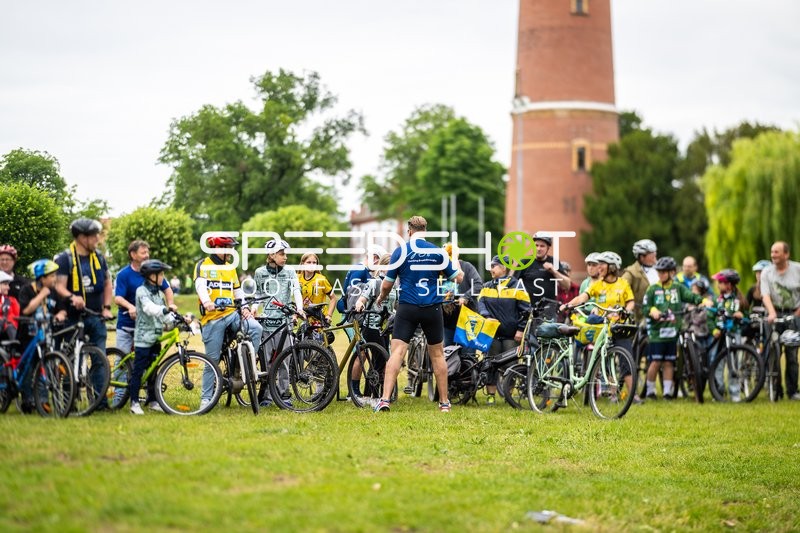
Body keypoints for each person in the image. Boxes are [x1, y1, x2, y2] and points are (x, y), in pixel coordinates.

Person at [373, 215, 463, 412]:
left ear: (409, 231)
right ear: (425, 230)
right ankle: (445, 403)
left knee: (396, 352)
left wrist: (381, 297)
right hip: (432, 308)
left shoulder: (401, 251)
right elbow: (458, 278)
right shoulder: (438, 252)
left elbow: (387, 284)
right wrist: (454, 258)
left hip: (407, 307)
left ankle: (385, 400)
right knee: (438, 355)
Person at [561, 251, 639, 403]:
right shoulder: (597, 284)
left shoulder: (623, 283)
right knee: (604, 358)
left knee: (625, 360)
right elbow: (583, 297)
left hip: (619, 327)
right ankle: (612, 394)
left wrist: (626, 310)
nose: (599, 267)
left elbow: (630, 301)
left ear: (612, 267)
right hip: (602, 328)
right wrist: (569, 304)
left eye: (602, 264)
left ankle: (632, 395)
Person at [194, 235, 263, 410]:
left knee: (255, 327)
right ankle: (206, 398)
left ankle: (244, 365)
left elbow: (237, 291)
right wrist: (206, 301)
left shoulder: (230, 268)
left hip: (232, 314)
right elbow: (200, 286)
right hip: (213, 318)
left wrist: (245, 308)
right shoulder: (203, 265)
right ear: (219, 249)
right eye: (229, 248)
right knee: (212, 360)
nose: (232, 251)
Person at [53, 218, 113, 410]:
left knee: (99, 360)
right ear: (81, 237)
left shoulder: (99, 257)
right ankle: (68, 403)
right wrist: (72, 297)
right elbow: (59, 286)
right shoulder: (65, 259)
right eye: (93, 236)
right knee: (71, 359)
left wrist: (106, 307)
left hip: (96, 315)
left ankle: (100, 403)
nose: (97, 239)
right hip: (73, 317)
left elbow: (106, 283)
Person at [642, 256, 702, 400]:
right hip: (657, 333)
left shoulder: (678, 287)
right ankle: (650, 391)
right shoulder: (652, 289)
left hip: (673, 331)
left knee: (669, 362)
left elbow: (690, 296)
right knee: (655, 362)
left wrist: (701, 300)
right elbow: (645, 307)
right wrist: (652, 311)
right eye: (659, 272)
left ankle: (667, 392)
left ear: (672, 273)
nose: (661, 274)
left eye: (664, 272)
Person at [253, 238, 304, 406]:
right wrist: (254, 308)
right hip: (267, 322)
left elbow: (296, 290)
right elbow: (258, 295)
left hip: (285, 322)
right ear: (272, 254)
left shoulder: (290, 271)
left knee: (284, 361)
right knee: (267, 361)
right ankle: (266, 396)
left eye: (285, 254)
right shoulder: (260, 272)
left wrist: (300, 308)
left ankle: (284, 395)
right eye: (282, 254)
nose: (285, 257)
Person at [477, 255, 530, 404]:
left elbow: (526, 309)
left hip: (511, 335)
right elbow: (480, 304)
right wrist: (486, 316)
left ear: (503, 268)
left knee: (511, 366)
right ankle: (491, 396)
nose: (491, 269)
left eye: (494, 266)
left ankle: (508, 396)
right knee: (490, 364)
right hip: (492, 333)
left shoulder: (517, 285)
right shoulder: (487, 286)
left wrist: (520, 330)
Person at [16, 259, 67, 413]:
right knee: (29, 368)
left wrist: (60, 315)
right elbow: (25, 310)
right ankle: (27, 399)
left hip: (46, 337)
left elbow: (62, 309)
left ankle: (43, 402)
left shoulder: (54, 292)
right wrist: (41, 295)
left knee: (45, 367)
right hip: (28, 338)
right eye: (51, 276)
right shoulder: (27, 290)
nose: (55, 278)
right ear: (42, 278)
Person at [129, 260, 177, 415]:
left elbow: (165, 318)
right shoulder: (141, 291)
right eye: (161, 274)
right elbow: (149, 309)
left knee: (153, 370)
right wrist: (165, 309)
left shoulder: (158, 294)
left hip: (156, 338)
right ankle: (134, 402)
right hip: (143, 339)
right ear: (151, 276)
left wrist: (178, 320)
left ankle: (152, 400)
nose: (163, 277)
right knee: (139, 370)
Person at [114, 240, 174, 357]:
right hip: (127, 325)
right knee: (122, 359)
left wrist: (170, 305)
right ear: (133, 255)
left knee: (148, 360)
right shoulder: (123, 274)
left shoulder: (152, 273)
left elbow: (168, 290)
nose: (147, 255)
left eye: (147, 252)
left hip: (148, 325)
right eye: (143, 252)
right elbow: (118, 298)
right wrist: (130, 306)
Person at [760, 241, 800, 401]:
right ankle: (775, 389)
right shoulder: (766, 273)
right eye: (772, 252)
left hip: (794, 315)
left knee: (792, 355)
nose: (773, 255)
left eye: (777, 252)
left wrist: (798, 313)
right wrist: (771, 313)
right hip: (774, 314)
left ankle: (793, 391)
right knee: (773, 354)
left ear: (786, 254)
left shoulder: (797, 270)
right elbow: (765, 295)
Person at [710, 268, 748, 402]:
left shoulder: (739, 301)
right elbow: (711, 317)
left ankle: (735, 392)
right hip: (719, 336)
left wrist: (741, 316)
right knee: (718, 365)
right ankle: (719, 391)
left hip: (734, 334)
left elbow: (747, 317)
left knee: (734, 364)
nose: (718, 285)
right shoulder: (717, 300)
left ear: (729, 285)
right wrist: (713, 329)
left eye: (720, 282)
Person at [516, 232, 570, 320]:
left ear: (548, 248)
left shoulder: (554, 262)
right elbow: (513, 284)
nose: (538, 249)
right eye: (536, 245)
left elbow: (567, 285)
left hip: (549, 312)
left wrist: (553, 271)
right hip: (527, 310)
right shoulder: (524, 262)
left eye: (542, 246)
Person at [441, 242, 483, 348]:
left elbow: (478, 285)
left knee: (468, 357)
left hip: (467, 322)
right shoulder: (441, 272)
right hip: (448, 323)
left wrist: (465, 297)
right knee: (448, 356)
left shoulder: (467, 267)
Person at [336, 245, 388, 316]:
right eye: (380, 263)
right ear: (375, 258)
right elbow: (353, 297)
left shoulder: (362, 269)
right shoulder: (360, 270)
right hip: (352, 316)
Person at [621, 239, 657, 322]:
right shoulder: (631, 272)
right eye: (651, 253)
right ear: (642, 256)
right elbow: (620, 288)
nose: (655, 255)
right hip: (640, 317)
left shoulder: (660, 269)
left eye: (655, 252)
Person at [298, 252, 338, 323]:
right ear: (303, 263)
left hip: (320, 318)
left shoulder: (321, 279)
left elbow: (333, 298)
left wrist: (329, 315)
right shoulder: (297, 278)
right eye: (309, 262)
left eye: (314, 263)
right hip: (305, 318)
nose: (312, 265)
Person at [0, 271, 20, 341]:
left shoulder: (12, 300)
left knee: (10, 326)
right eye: (5, 284)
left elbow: (18, 317)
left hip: (10, 333)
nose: (8, 288)